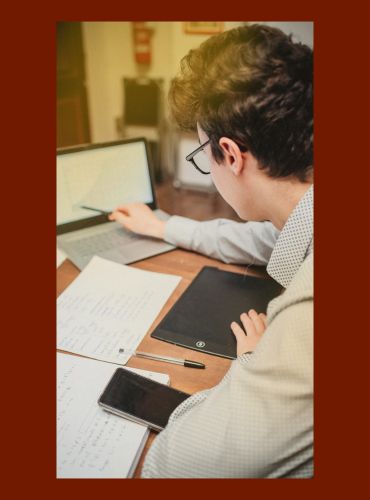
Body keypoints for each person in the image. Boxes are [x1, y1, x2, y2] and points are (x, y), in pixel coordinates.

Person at [110, 23, 313, 478]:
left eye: (203, 151)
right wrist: (162, 226)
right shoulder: (306, 211)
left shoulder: (308, 314)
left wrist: (253, 363)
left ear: (231, 154)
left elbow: (173, 468)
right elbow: (265, 239)